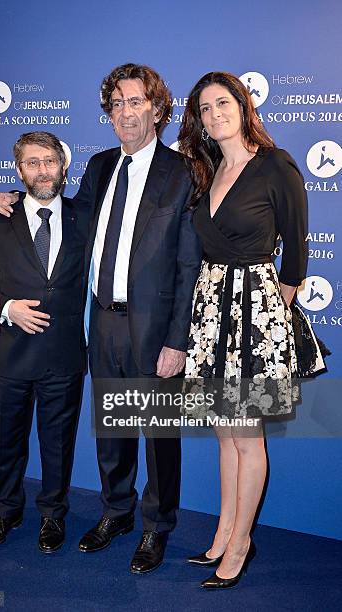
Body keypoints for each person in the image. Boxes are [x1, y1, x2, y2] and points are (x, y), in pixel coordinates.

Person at [0, 63, 203, 574]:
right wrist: (9, 201)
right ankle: (117, 512)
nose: (125, 112)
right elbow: (57, 210)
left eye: (135, 101)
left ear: (156, 107)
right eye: (116, 104)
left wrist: (179, 339)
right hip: (102, 321)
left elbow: (190, 264)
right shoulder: (101, 167)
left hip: (156, 329)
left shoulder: (183, 171)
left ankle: (156, 526)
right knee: (113, 430)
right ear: (109, 113)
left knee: (157, 435)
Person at [177, 71, 321, 589]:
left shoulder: (274, 165)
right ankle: (224, 530)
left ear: (243, 106)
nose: (215, 115)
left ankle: (240, 545)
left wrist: (270, 313)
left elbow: (297, 250)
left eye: (223, 103)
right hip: (210, 305)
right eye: (205, 108)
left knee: (246, 433)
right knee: (224, 434)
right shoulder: (207, 171)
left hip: (254, 309)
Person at [0, 131, 90, 554]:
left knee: (58, 443)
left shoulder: (84, 216)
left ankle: (53, 515)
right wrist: (7, 308)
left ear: (63, 166)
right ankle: (6, 511)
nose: (42, 170)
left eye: (50, 161)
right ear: (19, 170)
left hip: (64, 355)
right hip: (10, 352)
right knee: (8, 440)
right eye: (32, 163)